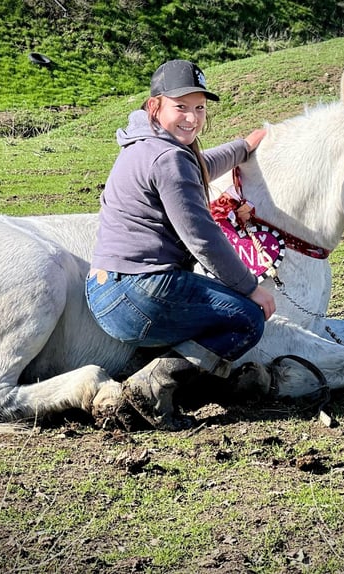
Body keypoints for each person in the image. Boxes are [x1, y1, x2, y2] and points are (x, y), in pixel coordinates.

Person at [85, 59, 276, 431]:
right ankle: (154, 385)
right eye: (181, 107)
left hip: (106, 286)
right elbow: (202, 237)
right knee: (247, 320)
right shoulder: (167, 157)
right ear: (155, 106)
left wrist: (243, 147)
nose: (192, 117)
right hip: (140, 291)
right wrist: (251, 289)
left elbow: (197, 166)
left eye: (200, 108)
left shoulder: (146, 143)